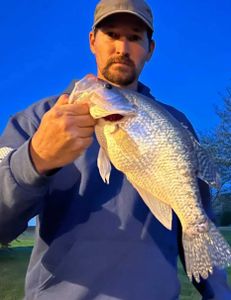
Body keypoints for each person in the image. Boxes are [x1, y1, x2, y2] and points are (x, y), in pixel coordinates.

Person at [0, 0, 230, 299]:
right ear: (93, 40)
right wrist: (34, 160)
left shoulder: (176, 122)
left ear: (150, 49)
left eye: (134, 37)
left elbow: (200, 217)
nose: (122, 47)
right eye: (111, 34)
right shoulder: (36, 119)